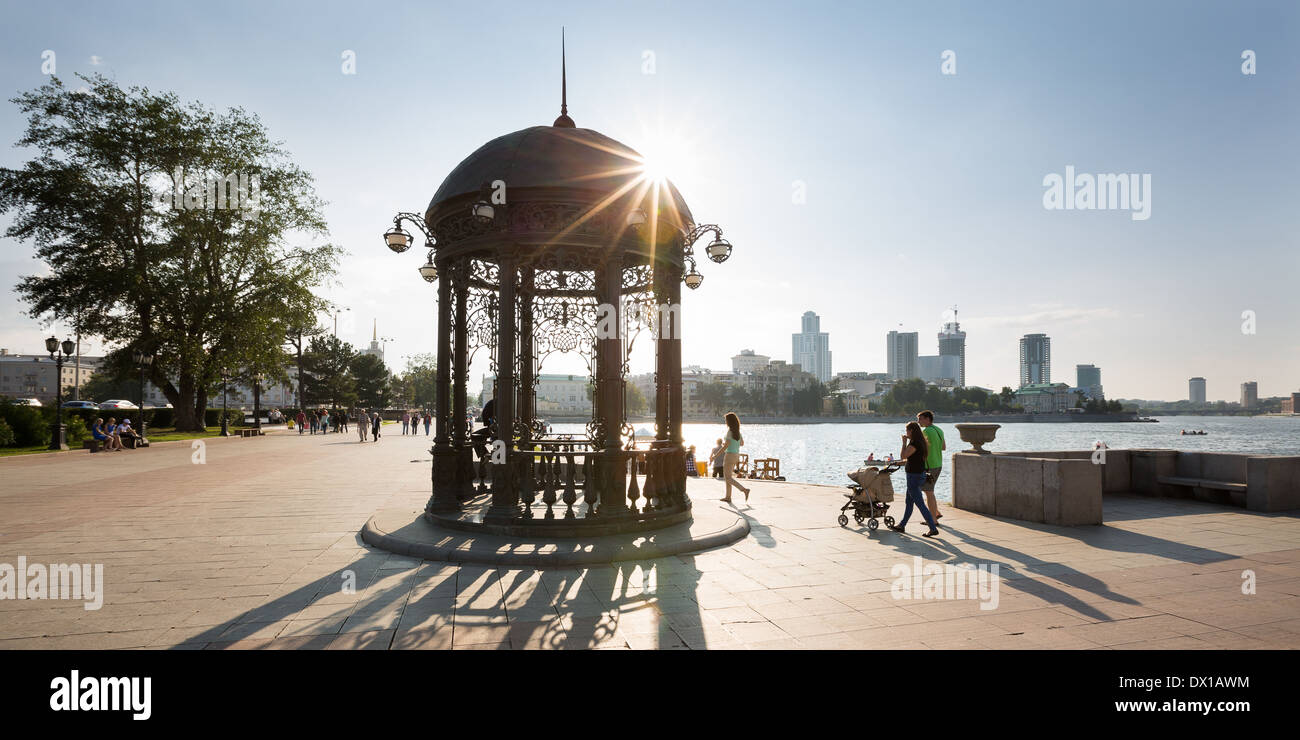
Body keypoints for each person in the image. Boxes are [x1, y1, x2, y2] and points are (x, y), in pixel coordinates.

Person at [889, 421, 939, 537]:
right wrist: (899, 463)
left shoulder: (914, 443)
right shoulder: (920, 442)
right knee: (909, 502)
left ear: (911, 431)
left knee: (920, 504)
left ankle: (932, 528)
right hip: (918, 475)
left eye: (907, 430)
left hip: (914, 477)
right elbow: (912, 459)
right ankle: (902, 525)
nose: (906, 433)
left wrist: (903, 443)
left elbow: (904, 455)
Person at [917, 410, 946, 520]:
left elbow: (920, 449)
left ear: (927, 419)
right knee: (928, 490)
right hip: (938, 463)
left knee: (929, 492)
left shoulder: (926, 431)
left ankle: (933, 519)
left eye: (920, 419)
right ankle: (936, 512)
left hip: (929, 465)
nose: (918, 421)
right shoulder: (939, 430)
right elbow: (943, 447)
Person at [719, 412, 751, 504]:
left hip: (729, 455)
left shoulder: (730, 432)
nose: (725, 422)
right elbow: (741, 443)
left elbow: (725, 447)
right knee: (728, 476)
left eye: (726, 420)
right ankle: (728, 497)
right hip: (736, 455)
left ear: (729, 421)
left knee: (728, 478)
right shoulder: (737, 432)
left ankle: (744, 490)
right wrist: (731, 444)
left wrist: (715, 456)